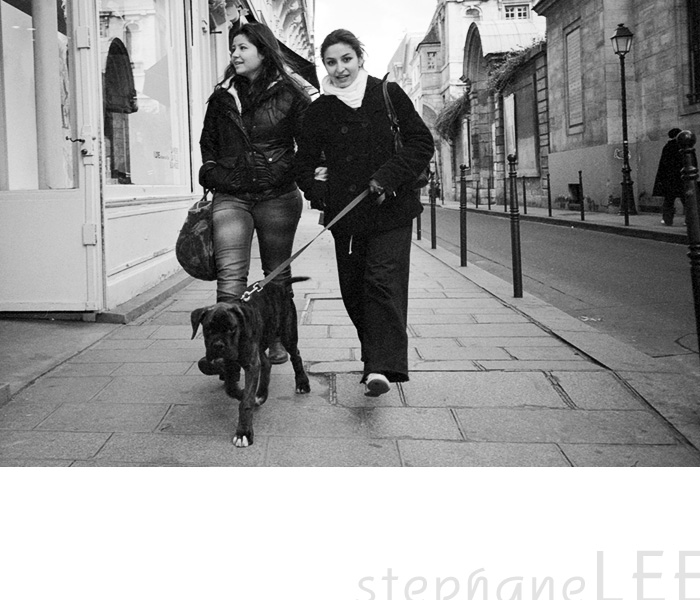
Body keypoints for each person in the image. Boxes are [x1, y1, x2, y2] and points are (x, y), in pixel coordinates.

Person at [295, 29, 434, 396]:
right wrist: (320, 191)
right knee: (354, 290)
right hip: (347, 216)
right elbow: (303, 164)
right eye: (331, 62)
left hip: (392, 210)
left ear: (359, 58)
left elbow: (421, 142)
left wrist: (387, 176)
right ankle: (375, 355)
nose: (340, 68)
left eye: (347, 59)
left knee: (381, 282)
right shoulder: (319, 110)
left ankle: (380, 368)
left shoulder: (387, 94)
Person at [197, 22, 311, 373]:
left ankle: (275, 338)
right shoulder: (222, 96)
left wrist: (282, 171)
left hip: (277, 196)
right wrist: (213, 172)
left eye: (243, 47)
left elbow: (308, 144)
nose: (235, 53)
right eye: (233, 47)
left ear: (263, 51)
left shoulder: (290, 93)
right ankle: (226, 351)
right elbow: (207, 142)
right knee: (230, 275)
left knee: (276, 275)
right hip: (232, 196)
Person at [653, 128, 685, 226]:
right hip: (681, 177)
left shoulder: (667, 147)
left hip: (669, 178)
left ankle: (667, 219)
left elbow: (663, 164)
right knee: (686, 199)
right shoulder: (683, 146)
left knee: (669, 200)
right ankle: (689, 219)